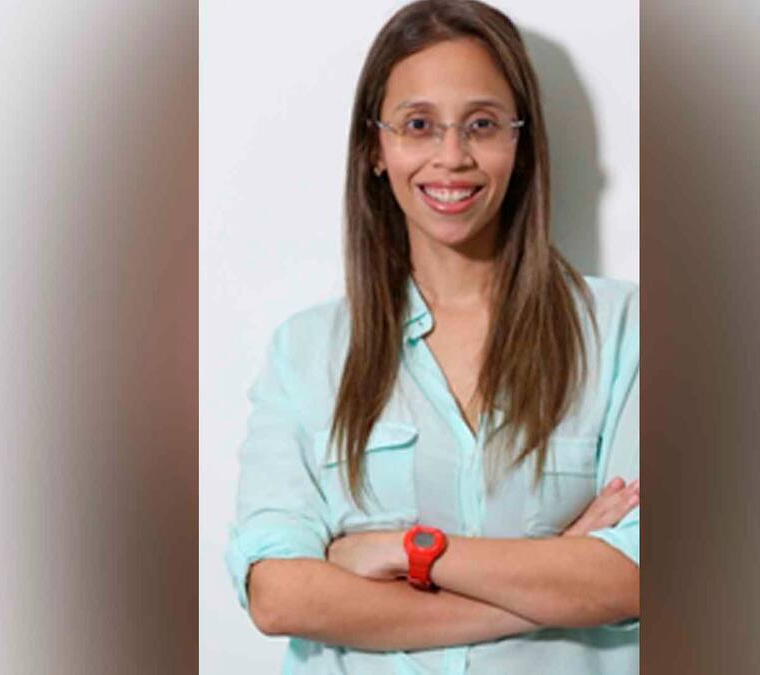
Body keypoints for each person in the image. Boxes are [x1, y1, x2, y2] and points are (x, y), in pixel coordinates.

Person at [224, 0, 640, 672]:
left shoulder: (623, 332)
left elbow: (635, 576)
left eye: (482, 125)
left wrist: (404, 551)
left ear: (520, 145)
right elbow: (278, 594)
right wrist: (559, 571)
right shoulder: (304, 354)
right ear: (375, 148)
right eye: (419, 125)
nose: (452, 157)